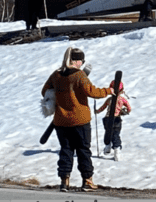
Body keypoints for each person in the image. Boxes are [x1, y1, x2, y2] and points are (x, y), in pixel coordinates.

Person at [40, 47, 114, 192]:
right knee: (83, 150)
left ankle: (64, 181)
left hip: (61, 121)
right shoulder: (79, 76)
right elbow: (92, 92)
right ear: (76, 61)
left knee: (66, 150)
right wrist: (108, 91)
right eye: (82, 60)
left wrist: (61, 95)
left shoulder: (56, 74)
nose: (82, 63)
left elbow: (45, 91)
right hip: (80, 121)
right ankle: (87, 181)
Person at [94, 79, 131, 162]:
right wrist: (125, 111)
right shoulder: (122, 100)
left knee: (108, 132)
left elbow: (103, 107)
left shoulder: (109, 100)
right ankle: (117, 150)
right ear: (122, 91)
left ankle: (107, 145)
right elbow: (129, 107)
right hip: (117, 119)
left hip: (107, 119)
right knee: (116, 134)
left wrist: (97, 111)